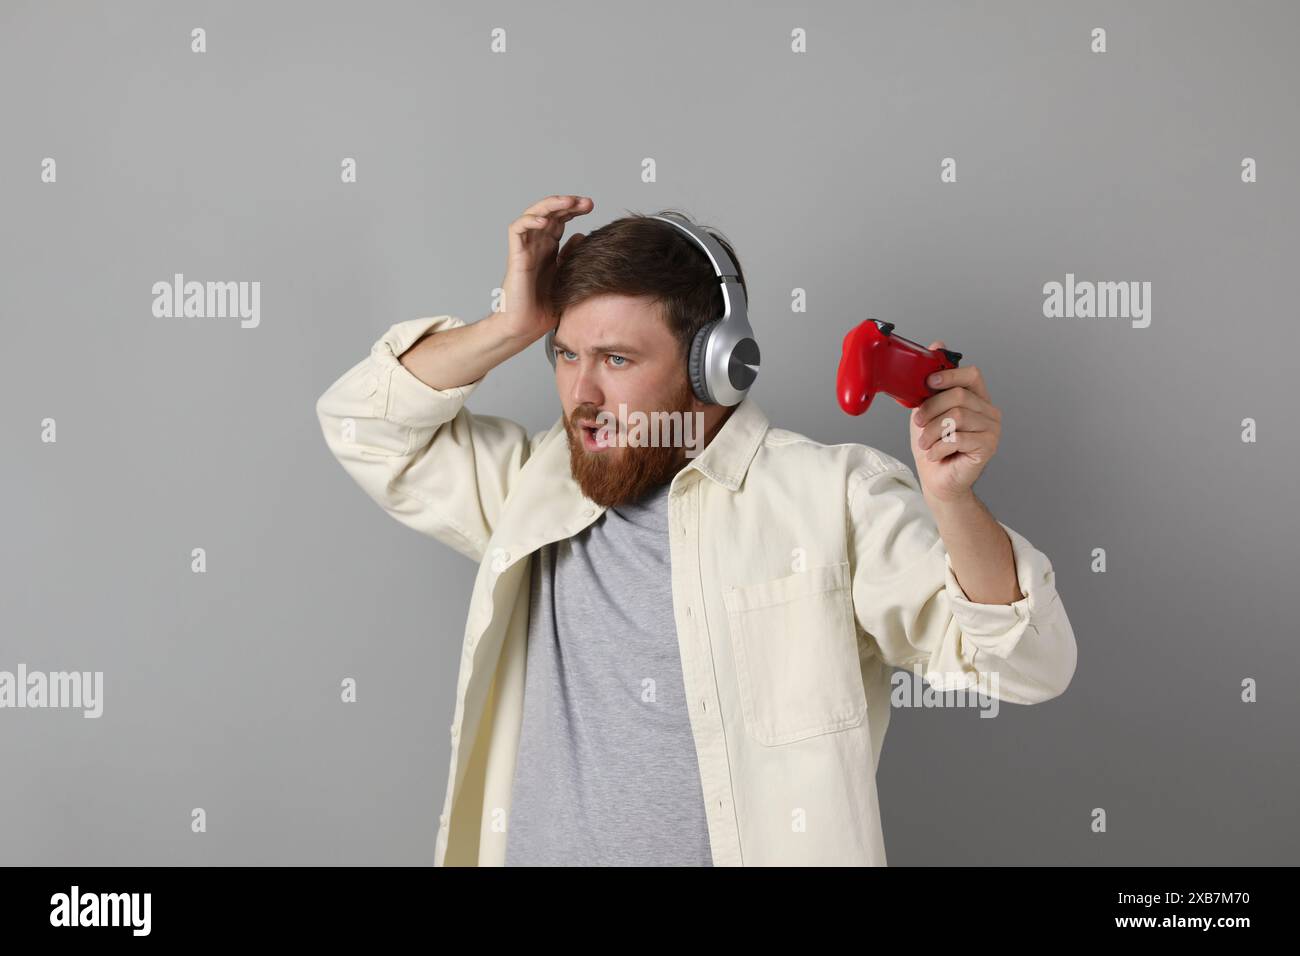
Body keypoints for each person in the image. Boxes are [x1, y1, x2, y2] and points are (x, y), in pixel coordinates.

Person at [314, 194, 1078, 866]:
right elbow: (362, 424)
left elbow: (1027, 665)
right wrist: (513, 323)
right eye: (566, 355)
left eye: (616, 358)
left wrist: (952, 501)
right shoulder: (533, 490)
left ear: (719, 367)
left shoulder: (829, 497)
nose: (582, 393)